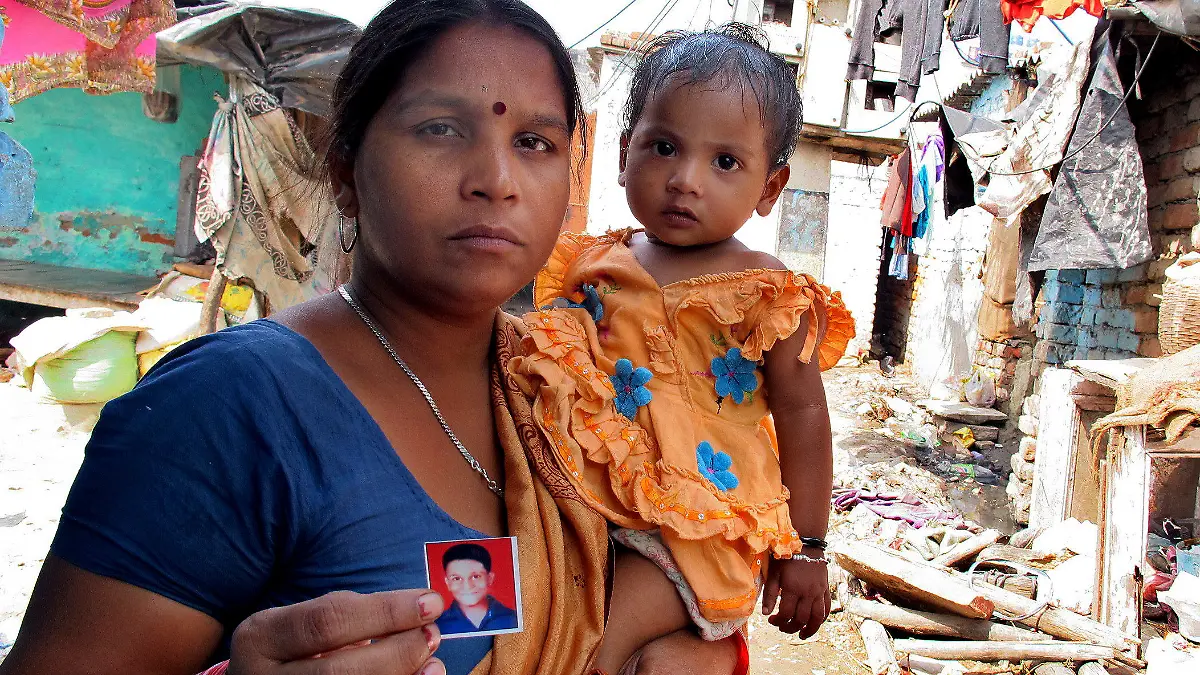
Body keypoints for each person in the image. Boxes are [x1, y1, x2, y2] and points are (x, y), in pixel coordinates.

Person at [0, 2, 747, 675]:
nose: (496, 178)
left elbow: (670, 568)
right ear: (345, 168)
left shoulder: (567, 385)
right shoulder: (227, 411)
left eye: (534, 141)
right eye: (440, 129)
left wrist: (707, 649)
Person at [509, 24, 856, 673]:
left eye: (724, 162)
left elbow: (806, 420)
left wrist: (808, 547)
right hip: (592, 515)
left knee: (591, 647)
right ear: (623, 151)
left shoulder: (765, 291)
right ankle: (702, 655)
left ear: (769, 188)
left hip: (694, 527)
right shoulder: (594, 266)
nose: (685, 180)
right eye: (664, 147)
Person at [436, 543, 519, 635]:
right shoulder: (438, 626)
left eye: (476, 576)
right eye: (456, 578)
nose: (467, 586)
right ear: (448, 583)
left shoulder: (514, 619)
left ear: (489, 579)